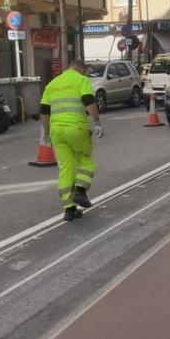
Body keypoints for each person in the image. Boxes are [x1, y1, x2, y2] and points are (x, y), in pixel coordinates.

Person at [40, 60, 104, 221]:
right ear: (80, 69)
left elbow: (43, 112)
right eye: (84, 72)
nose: (84, 75)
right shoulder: (81, 80)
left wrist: (47, 133)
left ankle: (69, 210)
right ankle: (80, 190)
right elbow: (89, 102)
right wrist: (97, 122)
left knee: (65, 168)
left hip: (57, 132)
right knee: (85, 159)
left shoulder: (52, 84)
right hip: (76, 128)